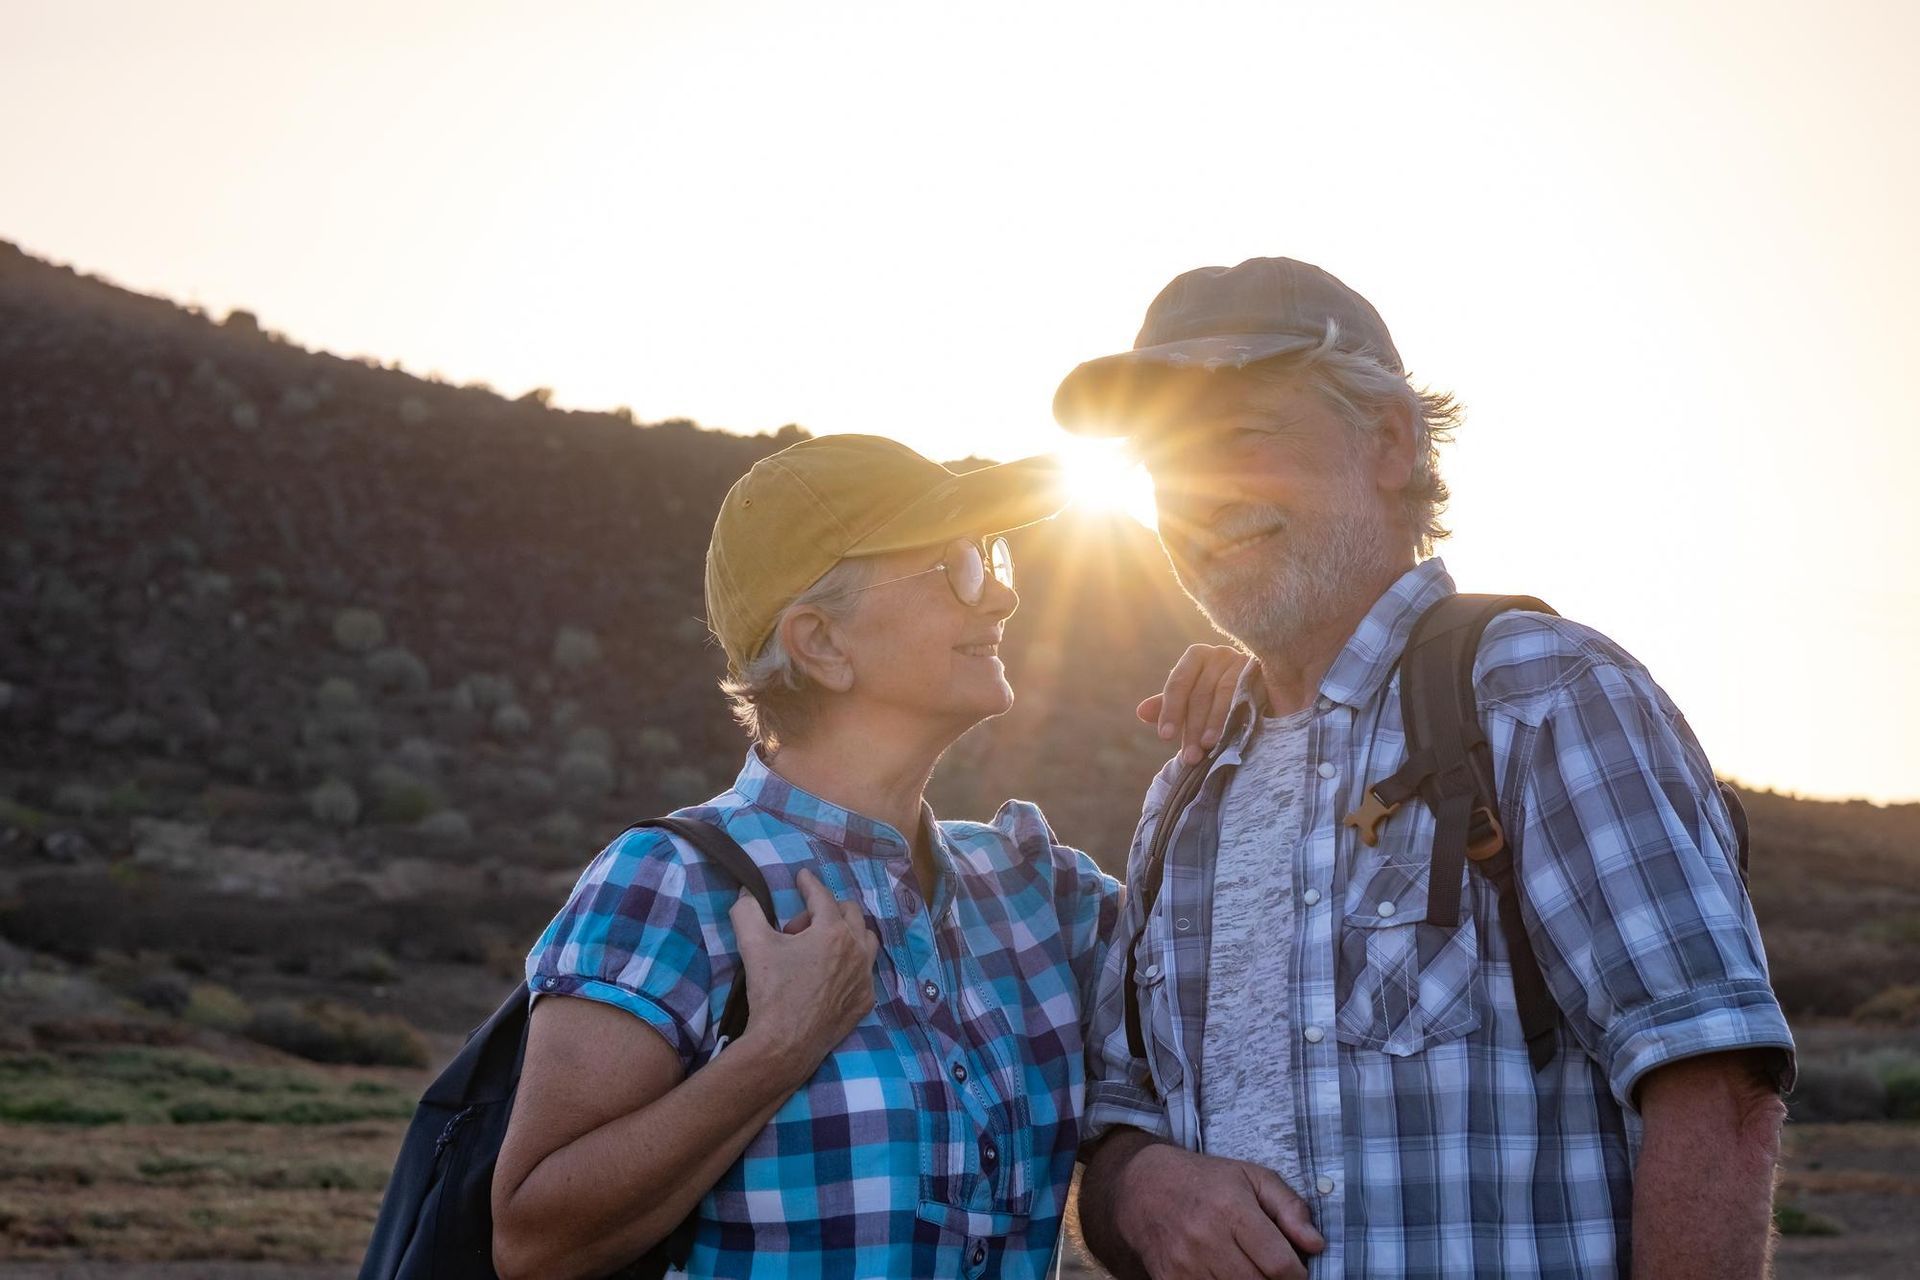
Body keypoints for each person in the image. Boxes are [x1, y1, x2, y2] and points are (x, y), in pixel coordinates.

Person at [1054, 258, 1796, 1279]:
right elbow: (1121, 1121)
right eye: (1162, 461)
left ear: (1391, 442)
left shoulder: (1540, 695)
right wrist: (1146, 1187)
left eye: (1242, 437)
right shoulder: (1184, 788)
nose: (1198, 497)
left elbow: (1716, 1090)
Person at [489, 434, 1245, 1279]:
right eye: (956, 565)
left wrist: (1271, 703)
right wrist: (779, 1046)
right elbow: (533, 1239)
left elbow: (1249, 965)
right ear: (821, 644)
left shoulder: (1040, 891)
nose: (997, 596)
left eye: (993, 557)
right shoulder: (672, 883)